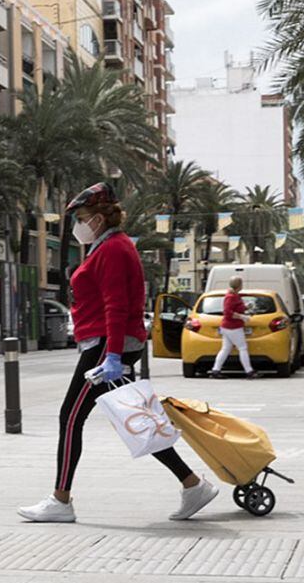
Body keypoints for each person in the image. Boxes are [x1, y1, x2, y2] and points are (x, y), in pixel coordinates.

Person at [18, 182, 219, 523]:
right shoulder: (107, 246)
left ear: (97, 219)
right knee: (134, 420)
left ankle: (60, 500)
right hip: (109, 346)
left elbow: (116, 305)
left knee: (70, 417)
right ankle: (192, 484)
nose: (78, 225)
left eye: (81, 218)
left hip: (105, 348)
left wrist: (112, 356)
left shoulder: (112, 249)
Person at [210, 276, 259, 379]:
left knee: (226, 349)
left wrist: (246, 306)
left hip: (227, 326)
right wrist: (242, 316)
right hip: (233, 327)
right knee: (242, 348)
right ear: (239, 285)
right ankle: (249, 371)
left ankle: (216, 370)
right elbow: (227, 313)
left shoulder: (233, 295)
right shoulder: (231, 297)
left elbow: (236, 308)